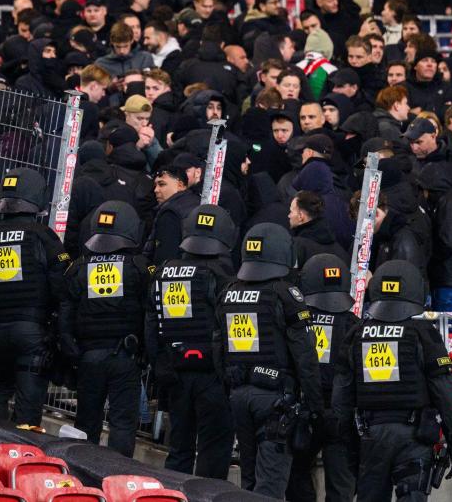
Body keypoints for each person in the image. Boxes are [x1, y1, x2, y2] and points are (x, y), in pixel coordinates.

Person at [332, 260, 452, 502]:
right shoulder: (424, 333)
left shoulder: (357, 334)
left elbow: (341, 399)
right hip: (414, 438)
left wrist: (349, 448)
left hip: (370, 437)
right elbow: (445, 393)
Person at [215, 222, 323, 498]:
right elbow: (306, 355)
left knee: (249, 481)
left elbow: (219, 347)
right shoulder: (286, 294)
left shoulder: (229, 292)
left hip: (239, 395)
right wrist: (314, 405)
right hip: (275, 400)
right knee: (271, 484)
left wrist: (229, 388)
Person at [0, 168, 70, 432]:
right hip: (32, 329)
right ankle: (22, 459)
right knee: (28, 406)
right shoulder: (42, 236)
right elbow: (63, 283)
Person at [147, 204, 236, 479]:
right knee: (213, 451)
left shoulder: (164, 272)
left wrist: (160, 365)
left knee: (179, 449)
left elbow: (152, 325)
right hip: (212, 376)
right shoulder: (223, 279)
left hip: (175, 372)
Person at [61, 201, 152, 457]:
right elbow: (150, 312)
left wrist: (72, 351)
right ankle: (118, 479)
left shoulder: (79, 267)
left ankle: (82, 475)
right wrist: (147, 353)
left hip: (89, 356)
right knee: (122, 424)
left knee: (86, 423)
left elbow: (65, 312)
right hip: (126, 355)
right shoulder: (139, 267)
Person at [286, 254, 359, 502]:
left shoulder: (298, 321)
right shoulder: (353, 324)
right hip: (341, 415)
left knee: (295, 473)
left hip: (305, 409)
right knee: (341, 485)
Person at [145, 165, 200, 266]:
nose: (156, 190)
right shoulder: (197, 203)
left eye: (161, 184)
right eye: (155, 185)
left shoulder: (170, 212)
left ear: (180, 185)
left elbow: (165, 257)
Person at [289, 190, 349, 266]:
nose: (289, 215)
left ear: (301, 216)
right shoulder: (338, 247)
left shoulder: (297, 247)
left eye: (291, 211)